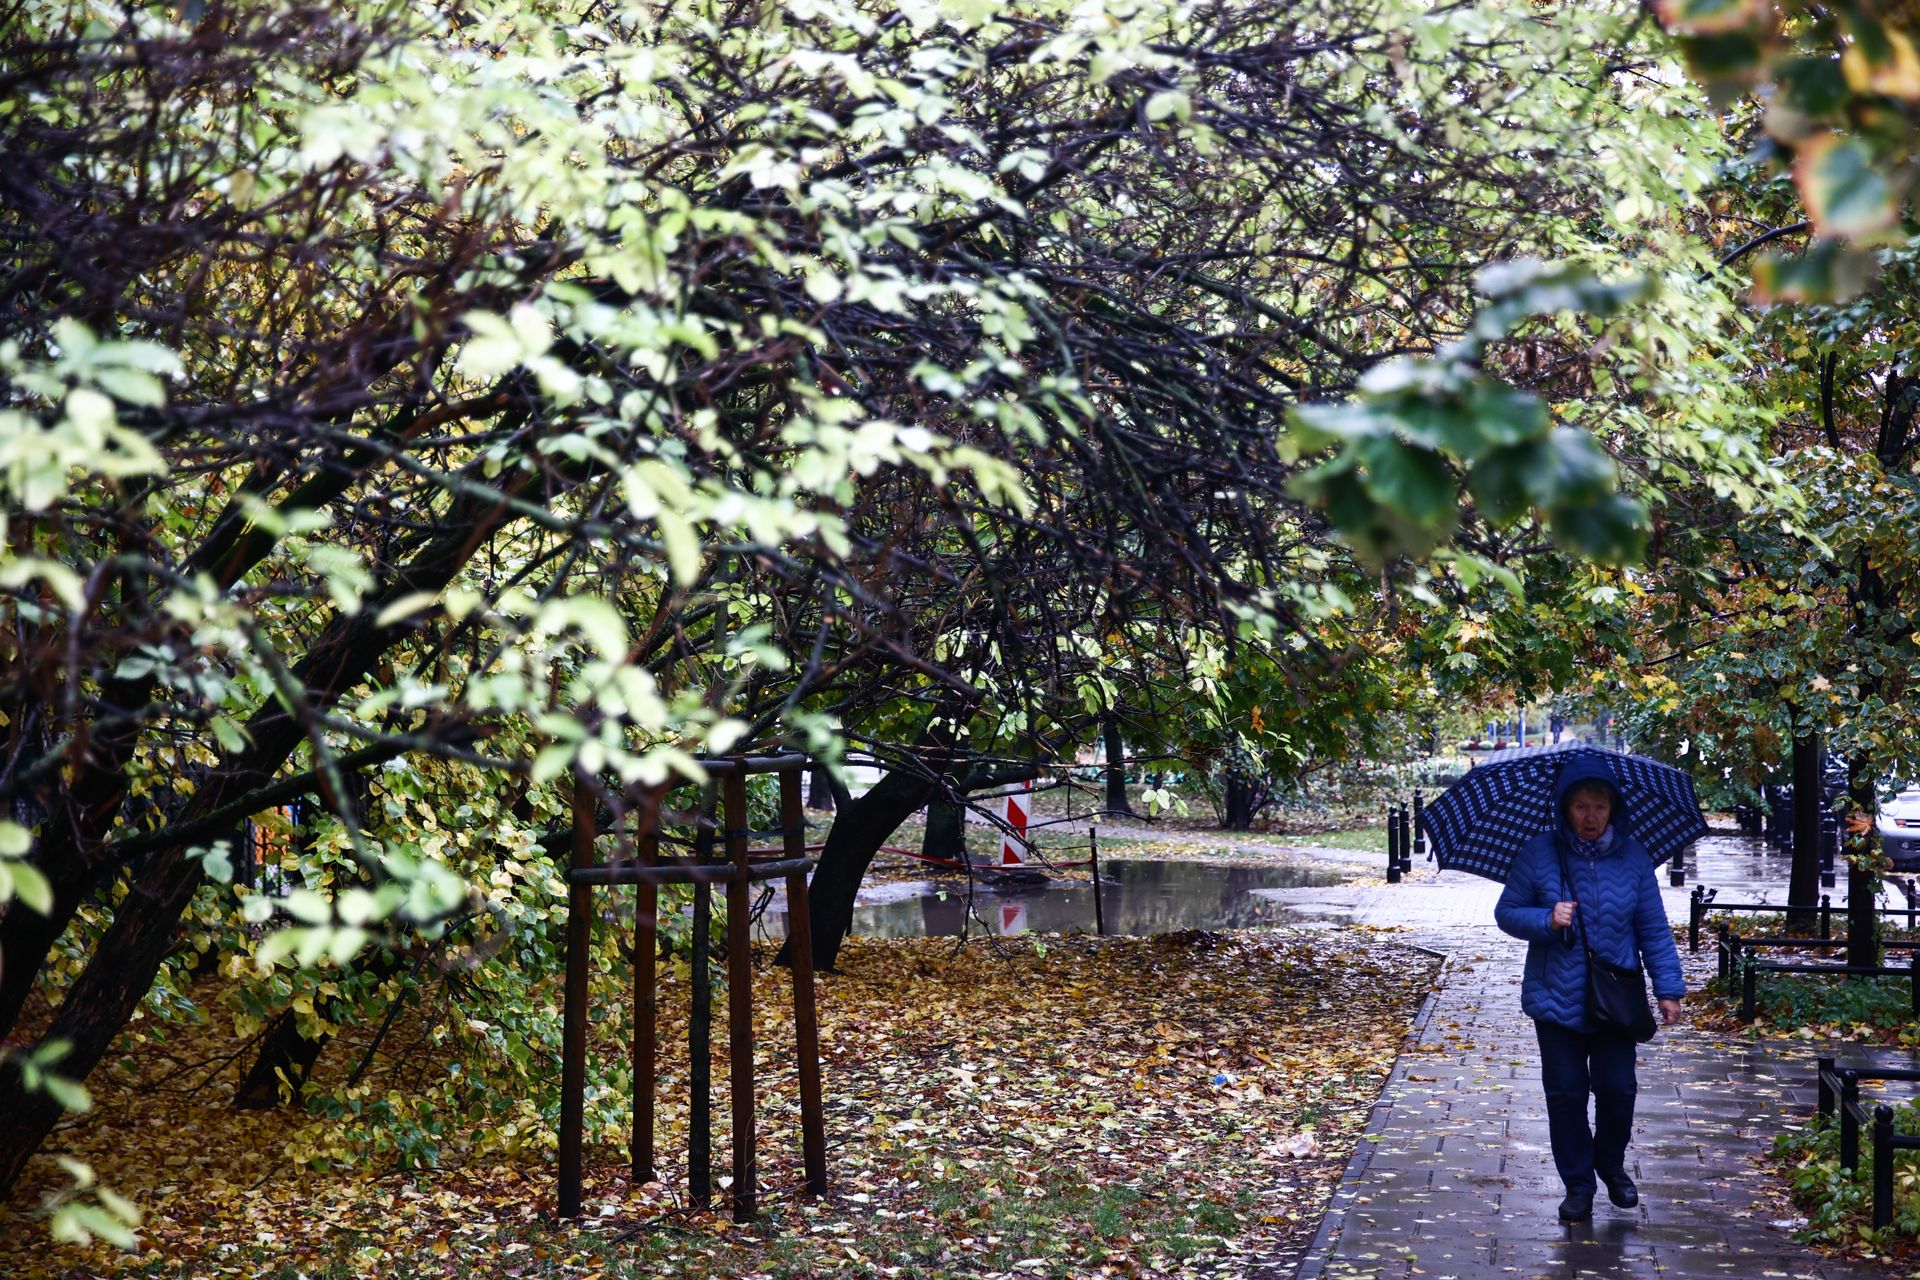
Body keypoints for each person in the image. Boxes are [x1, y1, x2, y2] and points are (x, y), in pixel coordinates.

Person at [1494, 755, 1685, 1223]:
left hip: (1614, 998)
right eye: (1581, 806)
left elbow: (1653, 929)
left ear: (1613, 808)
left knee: (1618, 1089)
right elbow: (1506, 912)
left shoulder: (1634, 856)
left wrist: (1669, 988)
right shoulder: (1539, 853)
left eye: (1599, 806)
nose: (1591, 817)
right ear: (1565, 808)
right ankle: (1578, 1185)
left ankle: (1610, 1162)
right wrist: (1546, 918)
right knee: (1566, 1094)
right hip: (1555, 998)